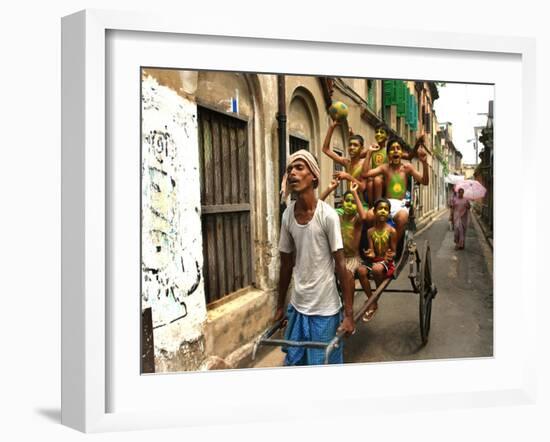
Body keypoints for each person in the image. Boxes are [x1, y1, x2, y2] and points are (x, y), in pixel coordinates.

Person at [275, 150, 355, 366]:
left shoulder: (327, 216)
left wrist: (348, 315)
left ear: (314, 177)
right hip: (298, 306)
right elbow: (285, 265)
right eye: (290, 169)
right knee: (294, 364)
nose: (292, 172)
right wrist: (280, 306)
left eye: (299, 168)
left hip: (325, 309)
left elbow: (342, 266)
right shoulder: (287, 216)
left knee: (321, 369)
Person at [362, 136, 429, 244]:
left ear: (402, 153)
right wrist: (369, 153)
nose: (396, 151)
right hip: (387, 203)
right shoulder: (385, 168)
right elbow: (365, 174)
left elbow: (425, 181)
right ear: (388, 154)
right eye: (392, 149)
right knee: (369, 216)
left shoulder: (408, 168)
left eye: (398, 148)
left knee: (402, 217)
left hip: (402, 204)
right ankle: (376, 244)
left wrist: (424, 163)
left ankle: (392, 249)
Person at [320, 181, 373, 312]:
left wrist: (355, 193)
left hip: (353, 258)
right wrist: (329, 188)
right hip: (337, 257)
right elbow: (317, 206)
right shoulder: (336, 216)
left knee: (347, 273)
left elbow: (364, 216)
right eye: (347, 201)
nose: (350, 204)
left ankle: (349, 309)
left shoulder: (357, 220)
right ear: (342, 202)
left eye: (353, 202)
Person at [362, 197, 397, 321]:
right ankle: (372, 299)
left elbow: (394, 250)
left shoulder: (391, 231)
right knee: (361, 271)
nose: (383, 211)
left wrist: (390, 255)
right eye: (380, 209)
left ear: (389, 213)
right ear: (375, 212)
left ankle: (374, 300)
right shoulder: (370, 231)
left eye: (386, 209)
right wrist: (370, 253)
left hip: (386, 262)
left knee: (377, 269)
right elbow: (371, 250)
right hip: (375, 259)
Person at [322, 120, 368, 206]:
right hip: (348, 203)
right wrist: (332, 127)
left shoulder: (364, 164)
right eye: (350, 145)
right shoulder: (347, 162)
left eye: (355, 145)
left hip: (361, 205)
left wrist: (347, 176)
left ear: (362, 148)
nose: (351, 147)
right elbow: (325, 149)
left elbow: (363, 187)